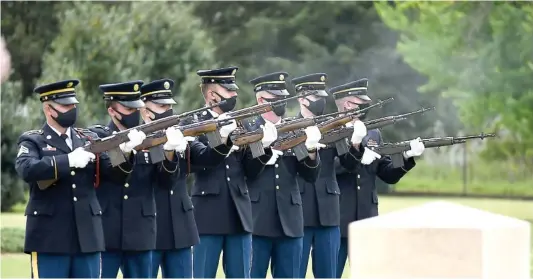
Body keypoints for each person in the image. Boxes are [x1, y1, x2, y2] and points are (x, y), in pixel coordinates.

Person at [15, 79, 137, 278]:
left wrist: (125, 152)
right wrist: (67, 161)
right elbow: (26, 169)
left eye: (73, 104)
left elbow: (114, 175)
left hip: (87, 236)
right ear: (48, 109)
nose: (71, 109)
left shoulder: (88, 139)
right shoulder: (33, 140)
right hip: (49, 238)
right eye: (65, 105)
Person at [142, 79, 237, 278]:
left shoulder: (178, 135)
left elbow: (207, 158)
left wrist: (224, 140)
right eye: (161, 106)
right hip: (148, 229)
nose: (167, 111)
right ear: (145, 111)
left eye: (169, 106)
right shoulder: (136, 139)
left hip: (180, 228)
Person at [330, 78, 426, 277]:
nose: (365, 106)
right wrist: (357, 157)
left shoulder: (372, 133)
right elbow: (326, 169)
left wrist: (407, 157)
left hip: (366, 219)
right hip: (337, 219)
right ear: (347, 104)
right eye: (360, 102)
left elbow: (387, 174)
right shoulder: (329, 133)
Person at [89, 80, 184, 278]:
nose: (133, 113)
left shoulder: (150, 138)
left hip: (141, 231)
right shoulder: (98, 137)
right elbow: (108, 171)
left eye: (136, 108)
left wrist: (169, 153)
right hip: (107, 230)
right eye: (127, 108)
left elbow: (165, 182)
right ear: (112, 111)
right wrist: (124, 150)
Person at [191, 66, 277, 278]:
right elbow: (202, 161)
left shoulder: (243, 122)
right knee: (202, 273)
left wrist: (263, 147)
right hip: (208, 213)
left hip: (239, 213)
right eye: (228, 90)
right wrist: (224, 139)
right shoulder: (194, 123)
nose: (234, 94)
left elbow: (251, 171)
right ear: (212, 94)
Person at [245, 72, 323, 278]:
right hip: (257, 220)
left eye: (283, 98)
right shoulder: (247, 129)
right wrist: (263, 151)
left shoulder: (293, 129)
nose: (281, 103)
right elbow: (247, 172)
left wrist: (312, 151)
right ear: (261, 100)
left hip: (290, 220)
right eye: (276, 99)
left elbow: (310, 175)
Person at [291, 73, 356, 278]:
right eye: (315, 96)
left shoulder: (332, 126)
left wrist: (355, 143)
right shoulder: (288, 127)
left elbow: (349, 163)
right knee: (295, 272)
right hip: (298, 210)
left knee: (328, 273)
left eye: (322, 96)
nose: (321, 101)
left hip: (327, 211)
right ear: (302, 98)